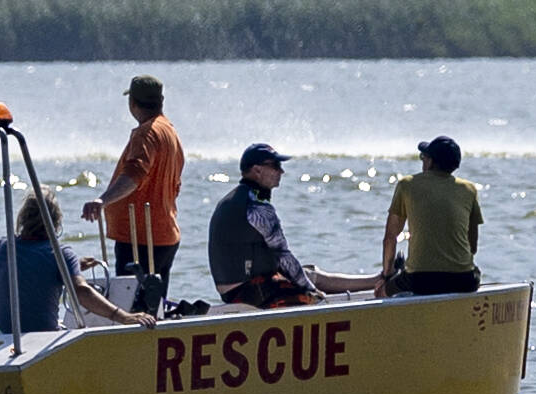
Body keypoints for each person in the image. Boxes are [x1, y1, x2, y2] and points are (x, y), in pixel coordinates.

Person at [206, 143, 375, 308]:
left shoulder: (237, 197)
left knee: (309, 274)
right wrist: (311, 292)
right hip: (247, 291)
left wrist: (308, 281)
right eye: (275, 166)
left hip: (239, 288)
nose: (281, 171)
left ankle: (376, 280)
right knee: (308, 293)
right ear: (257, 170)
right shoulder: (257, 207)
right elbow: (283, 256)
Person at [80, 73, 183, 313]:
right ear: (161, 101)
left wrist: (102, 200)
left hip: (141, 239)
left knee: (134, 312)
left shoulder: (146, 133)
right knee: (153, 308)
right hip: (164, 235)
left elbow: (135, 174)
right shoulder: (170, 132)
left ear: (132, 103)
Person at [0, 189, 154, 334]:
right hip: (41, 337)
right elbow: (81, 291)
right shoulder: (61, 254)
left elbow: (32, 266)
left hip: (2, 335)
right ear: (56, 221)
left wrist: (72, 267)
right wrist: (123, 316)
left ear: (23, 218)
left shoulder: (4, 247)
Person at [376, 136, 482, 297]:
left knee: (381, 293)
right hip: (463, 280)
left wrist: (386, 275)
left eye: (423, 157)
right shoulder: (469, 189)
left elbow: (390, 237)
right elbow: (472, 246)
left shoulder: (407, 184)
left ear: (431, 162)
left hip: (420, 279)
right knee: (474, 273)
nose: (422, 161)